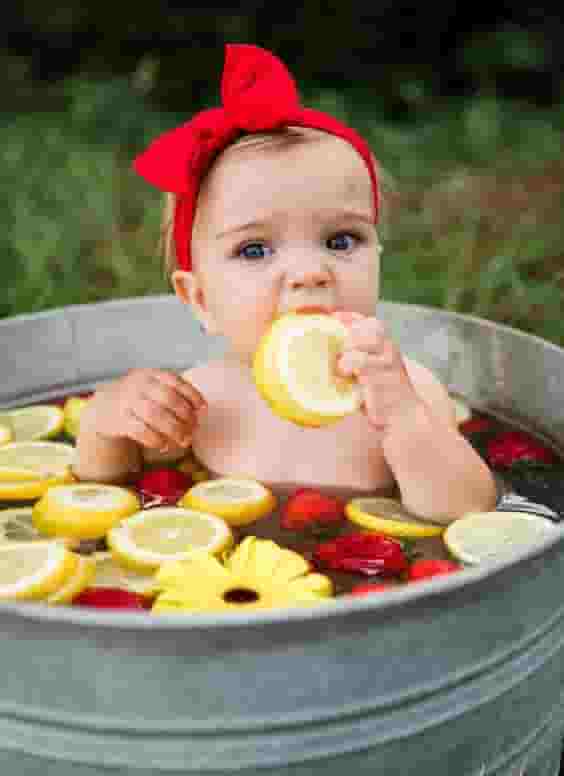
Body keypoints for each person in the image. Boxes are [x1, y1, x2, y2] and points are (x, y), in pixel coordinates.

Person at [75, 43, 497, 524]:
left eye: (341, 239)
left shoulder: (410, 392)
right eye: (255, 249)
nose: (309, 272)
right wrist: (106, 424)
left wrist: (402, 419)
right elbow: (104, 491)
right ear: (200, 299)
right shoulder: (200, 400)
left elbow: (469, 510)